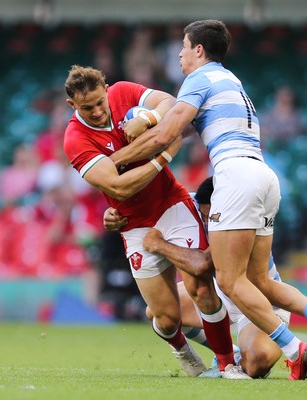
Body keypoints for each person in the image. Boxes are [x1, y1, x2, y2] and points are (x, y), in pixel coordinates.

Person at [108, 20, 307, 380]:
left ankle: (296, 350)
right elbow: (174, 129)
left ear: (199, 50)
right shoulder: (230, 80)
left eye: (184, 47)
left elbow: (168, 133)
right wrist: (151, 119)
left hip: (234, 175)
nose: (180, 54)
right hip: (262, 174)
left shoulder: (199, 79)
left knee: (230, 281)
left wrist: (113, 163)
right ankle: (263, 349)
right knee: (260, 281)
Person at [63, 65, 248, 379]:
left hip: (171, 203)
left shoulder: (123, 91)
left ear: (106, 89)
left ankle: (228, 362)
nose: (96, 111)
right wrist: (163, 156)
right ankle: (183, 352)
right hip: (134, 224)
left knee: (201, 284)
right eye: (86, 107)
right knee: (165, 318)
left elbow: (170, 104)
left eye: (99, 102)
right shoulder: (75, 139)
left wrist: (147, 118)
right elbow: (119, 186)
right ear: (72, 106)